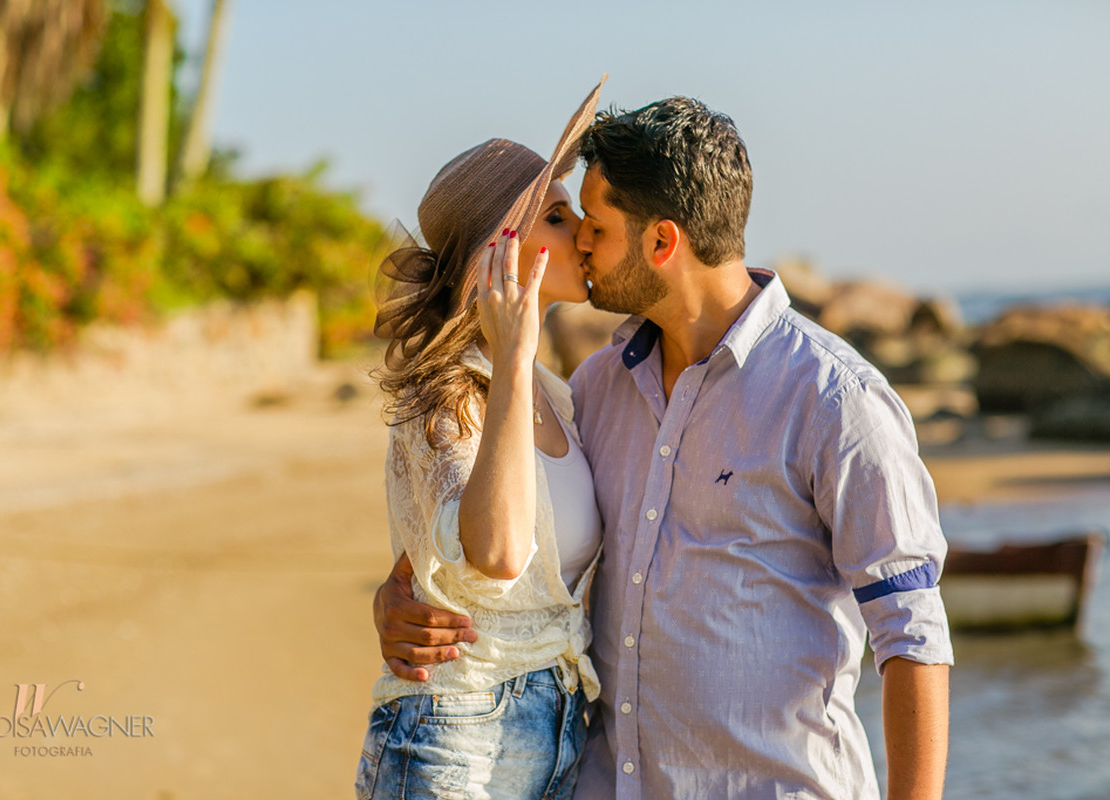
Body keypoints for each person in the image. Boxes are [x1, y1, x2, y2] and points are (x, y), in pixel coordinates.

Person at [373, 96, 954, 800]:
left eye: (596, 225)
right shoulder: (591, 391)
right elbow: (475, 527)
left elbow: (911, 633)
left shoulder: (835, 401)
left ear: (662, 243)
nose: (582, 240)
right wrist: (397, 598)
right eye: (569, 220)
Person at [355, 78, 607, 800]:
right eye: (558, 217)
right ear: (504, 252)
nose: (582, 232)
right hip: (457, 736)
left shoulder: (560, 394)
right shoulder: (443, 395)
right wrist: (511, 353)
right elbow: (496, 552)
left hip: (559, 725)